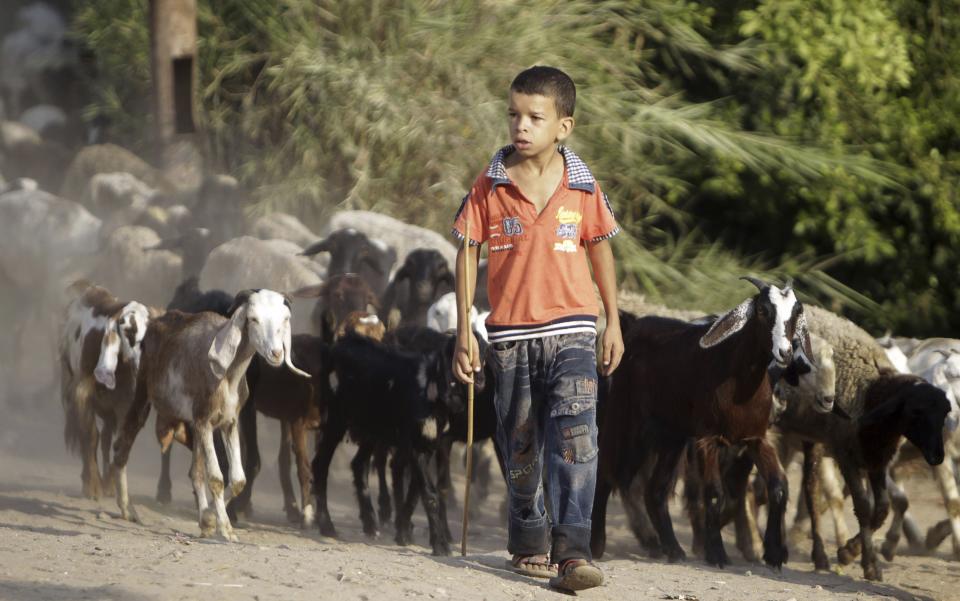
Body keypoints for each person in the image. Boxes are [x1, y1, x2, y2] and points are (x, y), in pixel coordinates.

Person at [452, 65, 624, 593]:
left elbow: (601, 249)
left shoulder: (582, 186)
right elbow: (466, 251)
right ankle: (529, 539)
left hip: (573, 328)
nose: (520, 126)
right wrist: (465, 328)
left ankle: (573, 552)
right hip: (509, 339)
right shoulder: (490, 185)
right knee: (520, 444)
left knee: (577, 438)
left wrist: (611, 319)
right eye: (514, 115)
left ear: (563, 127)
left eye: (534, 117)